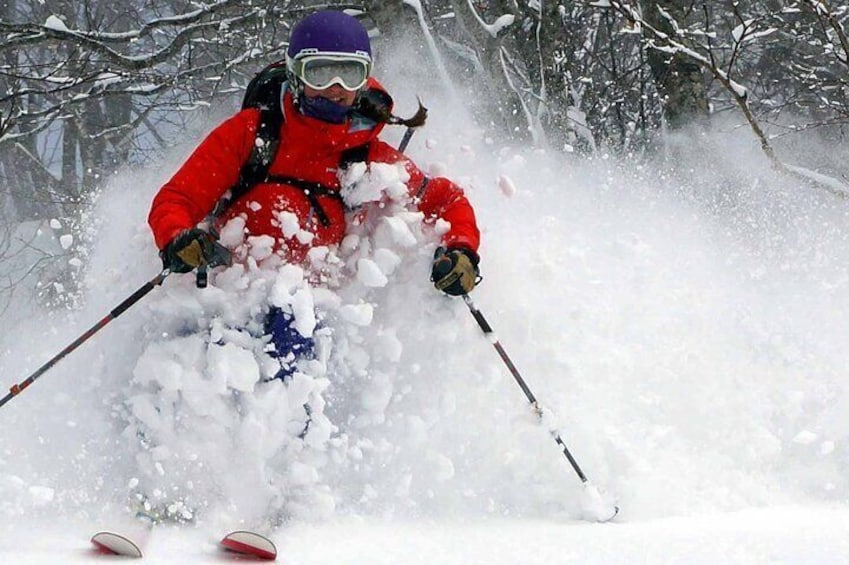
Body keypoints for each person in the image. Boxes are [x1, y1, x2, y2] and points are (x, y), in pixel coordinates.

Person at [148, 10, 481, 378]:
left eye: (349, 74)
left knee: (290, 344)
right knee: (185, 377)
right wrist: (177, 238)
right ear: (295, 73)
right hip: (225, 296)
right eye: (320, 72)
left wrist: (461, 250)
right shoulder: (252, 135)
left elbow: (446, 202)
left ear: (365, 77)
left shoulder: (366, 158)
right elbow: (177, 198)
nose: (335, 87)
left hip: (308, 309)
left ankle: (293, 428)